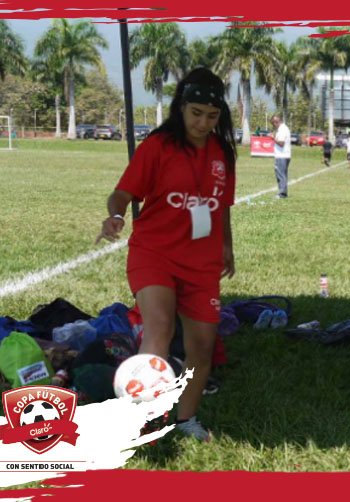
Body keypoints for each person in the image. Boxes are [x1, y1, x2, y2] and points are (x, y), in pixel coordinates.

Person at [96, 67, 237, 441]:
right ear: (181, 108)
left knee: (202, 347)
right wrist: (114, 215)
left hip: (202, 262)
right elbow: (123, 193)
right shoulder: (158, 146)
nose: (203, 123)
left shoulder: (223, 153)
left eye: (211, 116)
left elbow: (221, 206)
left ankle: (186, 418)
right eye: (195, 113)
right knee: (159, 328)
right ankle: (137, 418)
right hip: (154, 252)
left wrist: (227, 246)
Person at [270, 114, 291, 198]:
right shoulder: (283, 128)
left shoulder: (282, 129)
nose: (273, 125)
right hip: (285, 155)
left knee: (280, 175)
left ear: (276, 122)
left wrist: (273, 138)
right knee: (283, 174)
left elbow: (281, 143)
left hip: (282, 155)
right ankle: (283, 193)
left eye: (273, 123)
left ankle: (282, 193)